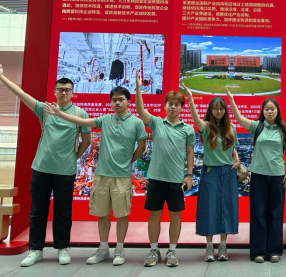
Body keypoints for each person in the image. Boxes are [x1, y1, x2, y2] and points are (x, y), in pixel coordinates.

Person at [44, 86, 146, 266]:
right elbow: (82, 121)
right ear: (111, 102)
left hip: (122, 176)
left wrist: (129, 161)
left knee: (122, 214)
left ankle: (119, 249)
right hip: (101, 175)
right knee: (102, 213)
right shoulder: (105, 120)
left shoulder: (136, 123)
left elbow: (142, 147)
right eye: (114, 100)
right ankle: (103, 248)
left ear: (128, 101)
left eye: (121, 99)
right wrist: (60, 113)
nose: (117, 103)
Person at [0, 66, 91, 267]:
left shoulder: (80, 113)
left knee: (63, 212)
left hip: (65, 171)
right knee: (38, 211)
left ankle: (62, 248)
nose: (64, 93)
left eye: (67, 90)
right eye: (60, 89)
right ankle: (36, 249)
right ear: (55, 92)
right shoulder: (45, 109)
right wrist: (2, 77)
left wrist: (74, 156)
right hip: (41, 168)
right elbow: (22, 94)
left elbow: (86, 139)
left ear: (73, 93)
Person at [226, 87, 286, 263]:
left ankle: (274, 251)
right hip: (258, 176)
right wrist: (231, 100)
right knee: (258, 213)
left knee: (276, 213)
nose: (270, 111)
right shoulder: (257, 126)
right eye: (267, 109)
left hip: (277, 176)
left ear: (277, 111)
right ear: (263, 111)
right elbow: (239, 118)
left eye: (272, 109)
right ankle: (258, 252)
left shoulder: (283, 129)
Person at [135, 73, 195, 267]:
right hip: (156, 178)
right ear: (165, 105)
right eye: (170, 103)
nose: (173, 107)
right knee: (154, 214)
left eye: (176, 104)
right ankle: (154, 250)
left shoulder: (188, 129)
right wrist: (138, 89)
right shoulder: (156, 123)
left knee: (175, 215)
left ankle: (172, 251)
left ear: (181, 107)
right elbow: (140, 110)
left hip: (176, 180)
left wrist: (189, 175)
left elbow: (190, 153)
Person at [185, 88, 240, 262]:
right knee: (209, 208)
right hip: (210, 172)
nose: (218, 111)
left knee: (226, 208)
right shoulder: (207, 127)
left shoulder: (231, 128)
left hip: (228, 172)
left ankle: (223, 245)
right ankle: (209, 246)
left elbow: (234, 149)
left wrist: (237, 160)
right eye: (215, 108)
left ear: (225, 110)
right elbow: (196, 119)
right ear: (211, 110)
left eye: (221, 108)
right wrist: (191, 99)